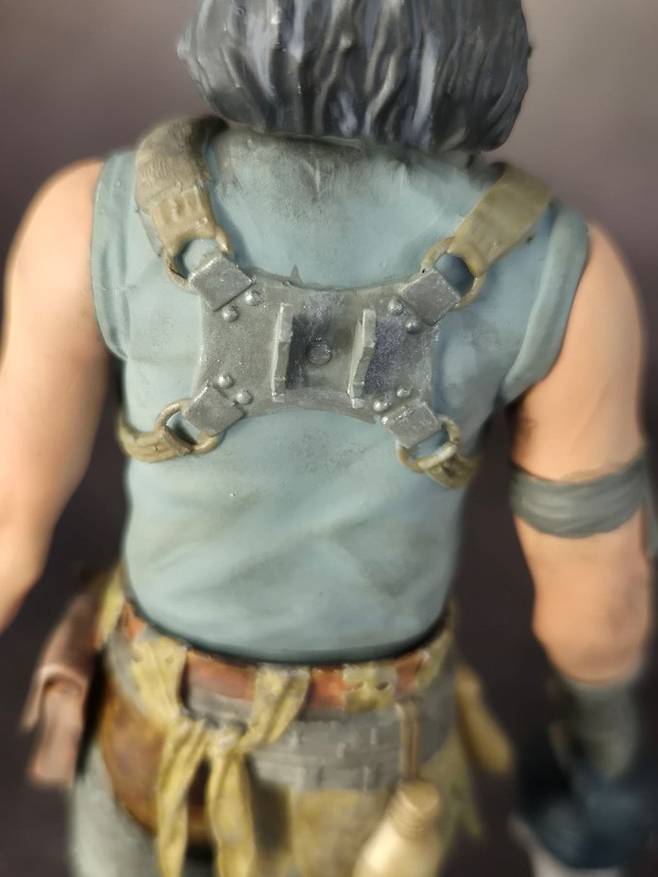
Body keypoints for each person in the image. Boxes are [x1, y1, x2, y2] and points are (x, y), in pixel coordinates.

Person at [3, 1, 655, 875]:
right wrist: (603, 773)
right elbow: (597, 604)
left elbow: (8, 530)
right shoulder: (563, 268)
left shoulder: (90, 216)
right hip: (368, 763)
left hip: (144, 734)